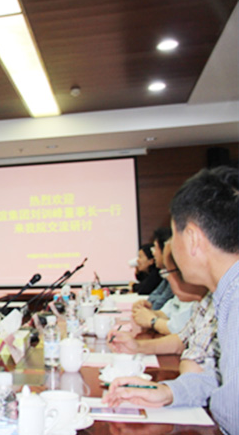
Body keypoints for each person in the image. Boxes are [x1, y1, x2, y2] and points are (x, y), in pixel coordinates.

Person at [103, 166, 239, 434]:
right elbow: (222, 382)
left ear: (193, 238)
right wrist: (168, 392)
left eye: (175, 235)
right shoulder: (225, 295)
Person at [109, 290, 217, 375]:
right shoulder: (207, 299)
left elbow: (194, 367)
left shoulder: (212, 296)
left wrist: (152, 320)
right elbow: (182, 339)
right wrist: (137, 346)